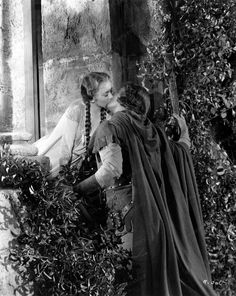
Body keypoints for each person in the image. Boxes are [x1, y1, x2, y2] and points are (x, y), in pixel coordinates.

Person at [73, 83, 216, 296]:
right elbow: (182, 150)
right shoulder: (154, 132)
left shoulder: (111, 126)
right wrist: (184, 130)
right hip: (157, 220)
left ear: (121, 101)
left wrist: (78, 189)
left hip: (127, 222)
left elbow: (110, 170)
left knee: (128, 284)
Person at [33, 72, 113, 177]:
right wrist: (64, 176)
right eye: (106, 94)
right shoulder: (77, 110)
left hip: (83, 167)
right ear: (92, 98)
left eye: (111, 91)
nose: (111, 96)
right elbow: (65, 149)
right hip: (59, 162)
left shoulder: (108, 114)